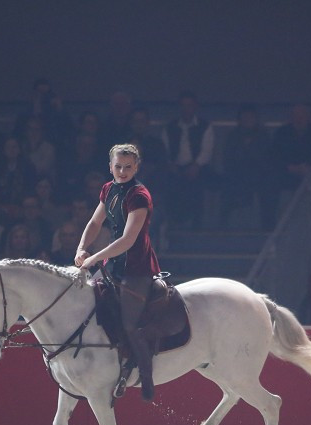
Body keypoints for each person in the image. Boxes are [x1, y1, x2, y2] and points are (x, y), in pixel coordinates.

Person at [75, 144, 161, 402]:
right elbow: (94, 223)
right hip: (111, 263)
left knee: (129, 323)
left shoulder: (139, 195)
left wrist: (93, 257)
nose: (122, 171)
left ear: (136, 167)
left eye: (128, 167)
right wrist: (81, 247)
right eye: (118, 166)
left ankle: (146, 377)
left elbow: (128, 239)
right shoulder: (108, 188)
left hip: (136, 267)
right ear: (110, 166)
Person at [161, 91, 214, 229]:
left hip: (198, 168)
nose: (186, 109)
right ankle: (173, 223)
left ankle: (197, 224)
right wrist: (171, 165)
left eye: (189, 105)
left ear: (195, 107)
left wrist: (196, 165)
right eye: (183, 106)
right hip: (175, 167)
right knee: (168, 183)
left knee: (198, 184)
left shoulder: (205, 127)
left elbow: (206, 151)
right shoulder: (169, 127)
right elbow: (164, 151)